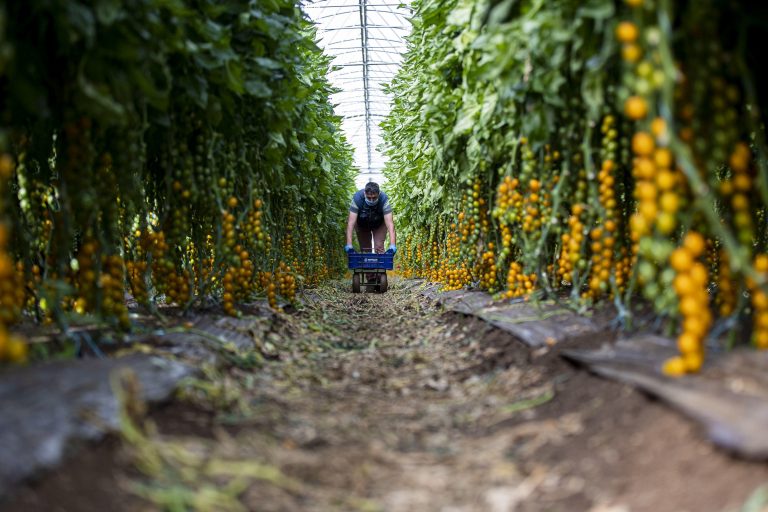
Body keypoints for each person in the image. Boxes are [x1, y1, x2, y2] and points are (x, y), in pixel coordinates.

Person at [344, 182, 396, 255]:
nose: (371, 200)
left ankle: (380, 265)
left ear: (379, 194)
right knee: (365, 250)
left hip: (379, 224)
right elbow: (350, 223)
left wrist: (392, 245)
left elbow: (390, 224)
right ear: (365, 193)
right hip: (362, 224)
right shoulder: (357, 199)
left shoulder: (384, 199)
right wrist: (349, 244)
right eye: (369, 197)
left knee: (379, 247)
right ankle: (367, 265)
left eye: (374, 198)